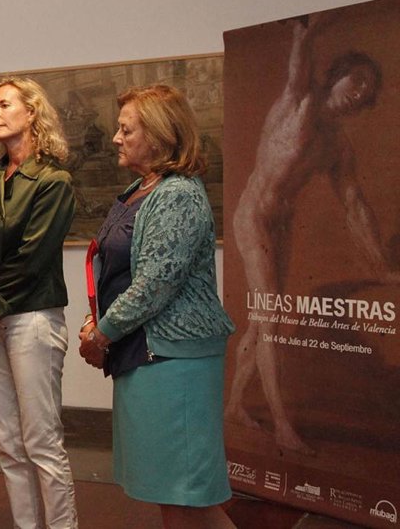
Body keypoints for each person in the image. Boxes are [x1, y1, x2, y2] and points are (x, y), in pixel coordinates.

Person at [225, 13, 396, 454]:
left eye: (366, 91)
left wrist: (381, 265)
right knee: (269, 317)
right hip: (253, 218)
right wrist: (306, 32)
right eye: (357, 81)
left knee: (264, 319)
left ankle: (235, 405)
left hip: (281, 225)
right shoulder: (298, 101)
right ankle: (283, 424)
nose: (359, 93)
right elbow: (299, 63)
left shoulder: (336, 146)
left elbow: (355, 205)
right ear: (336, 76)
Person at [78, 85, 236, 529]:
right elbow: (120, 269)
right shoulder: (141, 189)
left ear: (159, 135)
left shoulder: (178, 194)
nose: (116, 138)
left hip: (175, 362)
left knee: (184, 496)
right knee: (175, 496)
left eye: (126, 130)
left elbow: (154, 284)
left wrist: (101, 334)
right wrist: (97, 319)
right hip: (147, 355)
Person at [0, 76, 79, 529]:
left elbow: (31, 258)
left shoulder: (54, 181)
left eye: (4, 104)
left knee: (42, 442)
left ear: (32, 112)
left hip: (32, 320)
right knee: (8, 443)